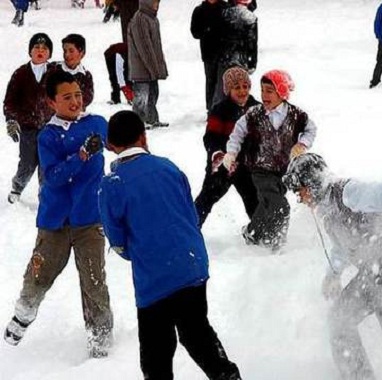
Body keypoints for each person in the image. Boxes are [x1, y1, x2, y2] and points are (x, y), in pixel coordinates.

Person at [99, 110, 242, 380]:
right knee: (197, 334)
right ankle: (228, 375)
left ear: (110, 145)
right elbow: (189, 213)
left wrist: (140, 252)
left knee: (156, 353)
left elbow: (116, 239)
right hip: (191, 264)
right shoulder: (168, 167)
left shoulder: (111, 185)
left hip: (154, 278)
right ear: (143, 137)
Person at [283, 153, 382, 380]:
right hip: (377, 268)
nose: (300, 198)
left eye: (299, 190)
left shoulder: (348, 192)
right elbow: (342, 246)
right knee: (345, 322)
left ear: (312, 182)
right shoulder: (328, 210)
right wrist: (333, 274)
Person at [3, 71, 113, 358]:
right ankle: (23, 313)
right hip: (55, 221)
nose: (75, 101)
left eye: (77, 94)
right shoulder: (47, 136)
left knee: (94, 281)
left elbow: (121, 144)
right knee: (39, 273)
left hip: (89, 219)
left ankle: (101, 340)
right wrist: (82, 156)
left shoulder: (97, 124)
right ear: (52, 102)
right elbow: (52, 177)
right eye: (67, 97)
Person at [219, 69, 316, 251]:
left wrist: (302, 144)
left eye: (270, 91)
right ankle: (276, 243)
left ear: (282, 92)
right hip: (260, 169)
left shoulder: (297, 115)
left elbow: (311, 130)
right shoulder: (253, 115)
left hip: (285, 170)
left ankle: (252, 232)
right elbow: (237, 134)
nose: (264, 95)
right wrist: (231, 153)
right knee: (280, 205)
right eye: (262, 90)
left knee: (267, 203)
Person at [195, 67, 260, 226]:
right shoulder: (220, 110)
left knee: (253, 198)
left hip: (246, 165)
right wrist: (217, 153)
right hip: (223, 163)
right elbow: (211, 137)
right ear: (227, 90)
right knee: (207, 197)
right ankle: (191, 226)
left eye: (245, 86)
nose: (242, 91)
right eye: (236, 87)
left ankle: (260, 232)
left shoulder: (257, 108)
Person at [4, 33, 54, 204]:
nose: (40, 51)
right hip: (28, 128)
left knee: (46, 164)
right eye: (36, 48)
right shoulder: (21, 74)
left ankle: (45, 195)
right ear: (30, 51)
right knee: (27, 163)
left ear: (49, 53)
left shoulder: (55, 72)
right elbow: (10, 101)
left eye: (45, 48)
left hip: (50, 128)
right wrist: (11, 120)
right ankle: (17, 187)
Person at [128, 0, 169, 128]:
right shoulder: (140, 19)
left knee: (153, 94)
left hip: (152, 68)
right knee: (141, 97)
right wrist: (153, 68)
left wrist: (159, 67)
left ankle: (152, 119)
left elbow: (156, 46)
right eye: (154, 2)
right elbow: (144, 47)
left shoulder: (153, 19)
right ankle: (139, 122)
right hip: (142, 68)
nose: (156, 5)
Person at [213, 0, 258, 107]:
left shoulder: (224, 14)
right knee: (241, 88)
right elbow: (252, 42)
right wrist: (252, 63)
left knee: (222, 89)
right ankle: (239, 112)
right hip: (242, 59)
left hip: (225, 59)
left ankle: (217, 114)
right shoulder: (250, 18)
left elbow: (218, 39)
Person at [191, 0, 228, 111]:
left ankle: (221, 109)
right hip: (208, 54)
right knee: (211, 82)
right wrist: (206, 30)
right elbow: (195, 32)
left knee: (223, 83)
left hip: (224, 53)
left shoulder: (225, 8)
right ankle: (211, 109)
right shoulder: (199, 10)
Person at [48, 34, 94, 109]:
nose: (67, 54)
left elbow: (87, 99)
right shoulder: (53, 69)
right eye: (65, 51)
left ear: (82, 53)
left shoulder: (86, 76)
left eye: (71, 51)